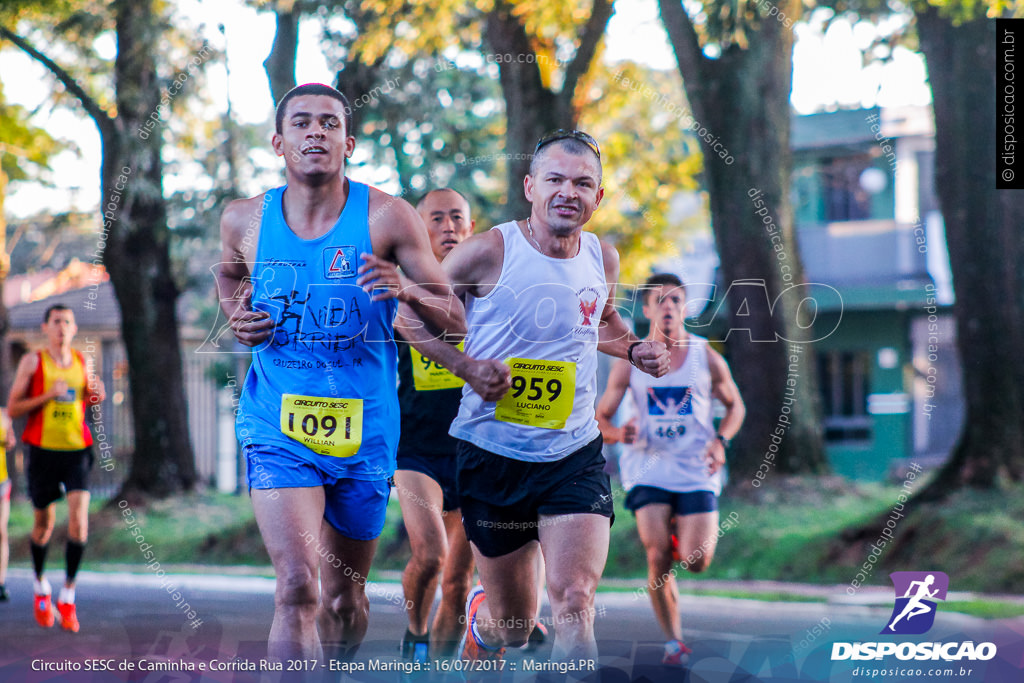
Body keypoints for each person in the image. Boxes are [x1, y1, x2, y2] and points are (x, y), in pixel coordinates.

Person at [402, 129, 671, 670]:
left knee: (574, 602)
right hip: (491, 455)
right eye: (555, 180)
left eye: (582, 183)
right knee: (515, 625)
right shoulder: (486, 251)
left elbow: (600, 319)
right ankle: (485, 625)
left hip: (572, 456)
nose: (567, 192)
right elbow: (408, 313)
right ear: (530, 186)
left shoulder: (602, 256)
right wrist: (466, 367)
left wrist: (635, 349)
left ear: (599, 197)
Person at [216, 83, 465, 663]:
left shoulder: (388, 217)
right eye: (302, 123)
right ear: (279, 142)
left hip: (365, 432)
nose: (316, 133)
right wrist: (237, 317)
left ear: (348, 142)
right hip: (276, 426)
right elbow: (229, 277)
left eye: (329, 124)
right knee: (298, 587)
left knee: (343, 602)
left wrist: (404, 288)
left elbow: (454, 319)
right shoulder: (244, 220)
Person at [596, 273, 745, 666]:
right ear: (645, 309)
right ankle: (673, 641)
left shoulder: (706, 356)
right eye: (660, 300)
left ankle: (683, 532)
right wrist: (616, 433)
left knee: (697, 561)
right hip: (647, 468)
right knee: (657, 553)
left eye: (676, 300)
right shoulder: (630, 361)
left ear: (685, 308)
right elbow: (601, 418)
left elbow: (736, 407)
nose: (669, 307)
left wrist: (720, 441)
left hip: (696, 466)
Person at [395, 188, 477, 662]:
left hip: (475, 448)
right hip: (416, 449)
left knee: (460, 580)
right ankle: (414, 634)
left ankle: (440, 674)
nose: (448, 226)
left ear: (469, 227)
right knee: (430, 556)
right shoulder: (399, 290)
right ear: (419, 230)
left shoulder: (491, 291)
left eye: (457, 218)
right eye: (437, 218)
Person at [7, 304, 106, 632]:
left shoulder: (82, 361)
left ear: (74, 328)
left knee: (79, 525)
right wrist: (47, 395)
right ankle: (40, 587)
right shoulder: (33, 361)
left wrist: (96, 396)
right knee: (44, 526)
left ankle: (67, 595)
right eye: (56, 322)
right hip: (42, 451)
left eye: (67, 321)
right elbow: (13, 406)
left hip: (77, 449)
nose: (62, 327)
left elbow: (86, 398)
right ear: (46, 327)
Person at [0, 408, 15, 602]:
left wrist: (8, 440)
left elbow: (11, 442)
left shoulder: (3, 415)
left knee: (1, 531)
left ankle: (1, 582)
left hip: (1, 481)